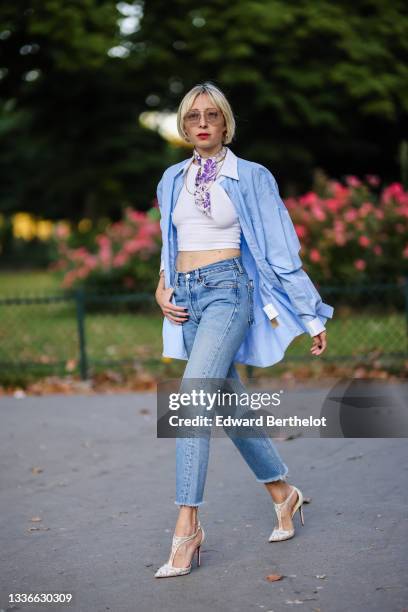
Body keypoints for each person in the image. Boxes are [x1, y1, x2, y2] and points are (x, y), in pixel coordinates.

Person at [154, 82, 334, 578]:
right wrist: (162, 285)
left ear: (225, 122)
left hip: (228, 294)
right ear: (184, 125)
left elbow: (280, 248)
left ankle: (187, 528)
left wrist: (311, 312)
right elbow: (170, 243)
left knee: (191, 397)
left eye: (212, 115)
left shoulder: (251, 176)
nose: (203, 123)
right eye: (193, 117)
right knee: (227, 405)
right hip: (186, 299)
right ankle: (283, 493)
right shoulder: (171, 178)